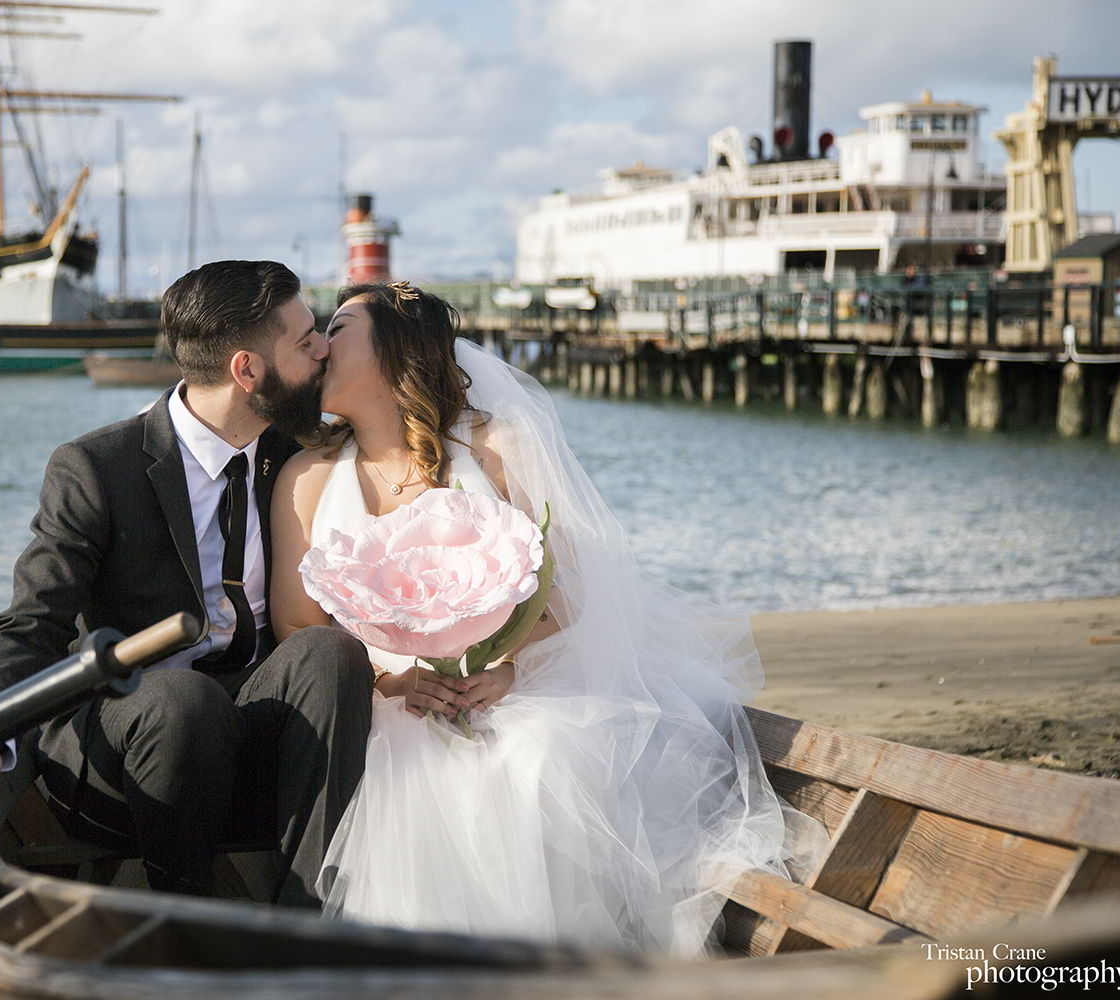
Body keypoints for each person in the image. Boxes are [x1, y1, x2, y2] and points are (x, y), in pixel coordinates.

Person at [269, 281, 820, 954]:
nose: (320, 344)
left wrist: (507, 668)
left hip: (513, 686)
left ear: (394, 351)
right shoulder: (306, 476)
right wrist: (390, 682)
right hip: (383, 703)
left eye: (339, 327)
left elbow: (572, 596)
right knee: (408, 778)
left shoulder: (493, 447)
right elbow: (298, 628)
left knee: (535, 760)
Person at [0, 260, 374, 908]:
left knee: (331, 654)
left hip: (251, 718)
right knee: (184, 701)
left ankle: (307, 926)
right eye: (305, 342)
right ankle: (185, 920)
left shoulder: (291, 455)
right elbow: (33, 620)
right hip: (133, 734)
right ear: (247, 371)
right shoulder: (99, 468)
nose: (324, 347)